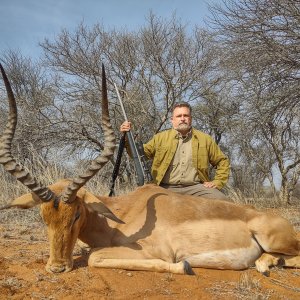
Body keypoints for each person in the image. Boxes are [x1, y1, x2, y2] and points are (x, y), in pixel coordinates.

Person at [120, 102, 230, 200]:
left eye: (185, 115)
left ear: (190, 118)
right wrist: (127, 137)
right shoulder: (160, 137)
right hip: (164, 187)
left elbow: (222, 161)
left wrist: (217, 182)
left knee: (223, 201)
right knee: (138, 203)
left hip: (196, 188)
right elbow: (140, 155)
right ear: (172, 120)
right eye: (179, 116)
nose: (182, 119)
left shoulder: (205, 139)